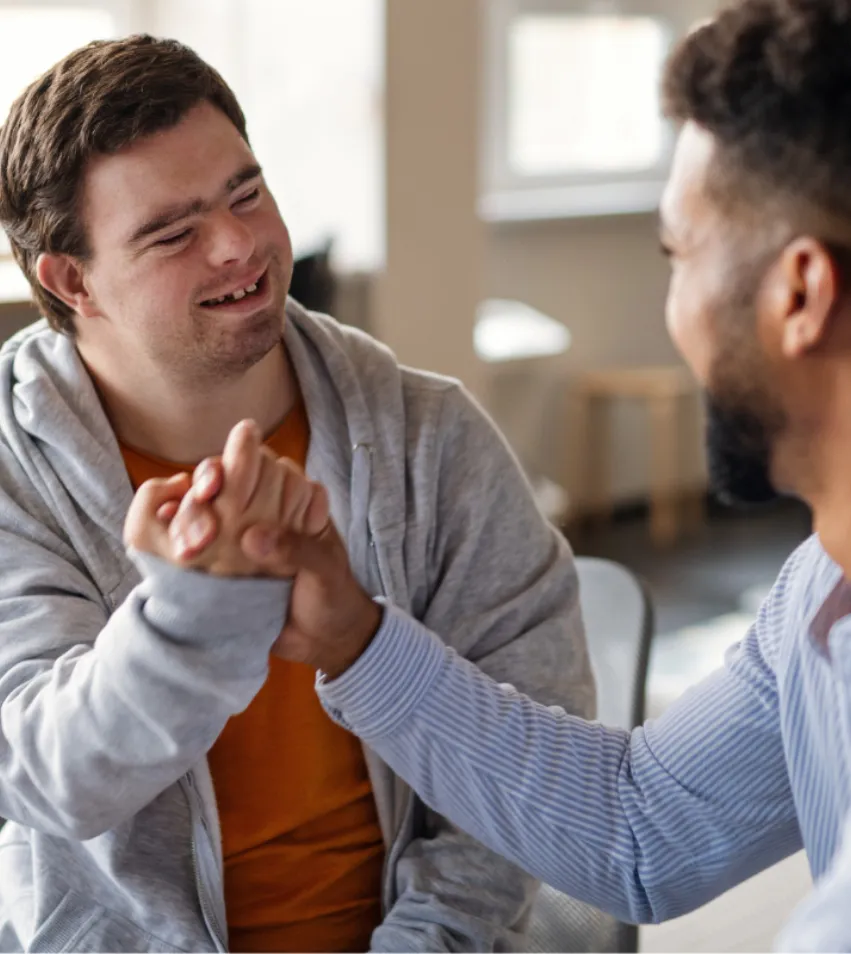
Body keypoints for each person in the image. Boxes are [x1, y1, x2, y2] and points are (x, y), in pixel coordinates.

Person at [145, 0, 851, 948]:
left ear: (799, 294)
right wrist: (356, 639)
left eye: (677, 253)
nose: (669, 301)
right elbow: (642, 832)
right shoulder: (819, 592)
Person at [0, 35, 595, 953]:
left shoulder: (430, 437)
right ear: (73, 280)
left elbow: (525, 765)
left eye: (246, 193)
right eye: (174, 233)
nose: (239, 244)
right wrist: (195, 613)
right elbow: (50, 776)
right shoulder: (14, 473)